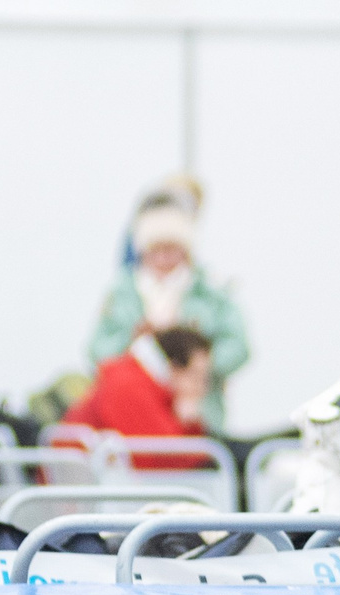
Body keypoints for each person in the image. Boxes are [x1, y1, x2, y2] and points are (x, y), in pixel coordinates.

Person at [85, 176, 247, 431]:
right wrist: (135, 344)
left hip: (200, 419)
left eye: (171, 249)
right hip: (135, 419)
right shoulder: (121, 294)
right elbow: (96, 352)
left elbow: (239, 346)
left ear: (186, 249)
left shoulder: (211, 293)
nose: (163, 258)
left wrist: (194, 361)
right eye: (155, 249)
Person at [60, 328, 214, 467]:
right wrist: (187, 425)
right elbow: (161, 459)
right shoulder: (130, 385)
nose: (201, 389)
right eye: (196, 378)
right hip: (82, 484)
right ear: (174, 368)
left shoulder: (142, 382)